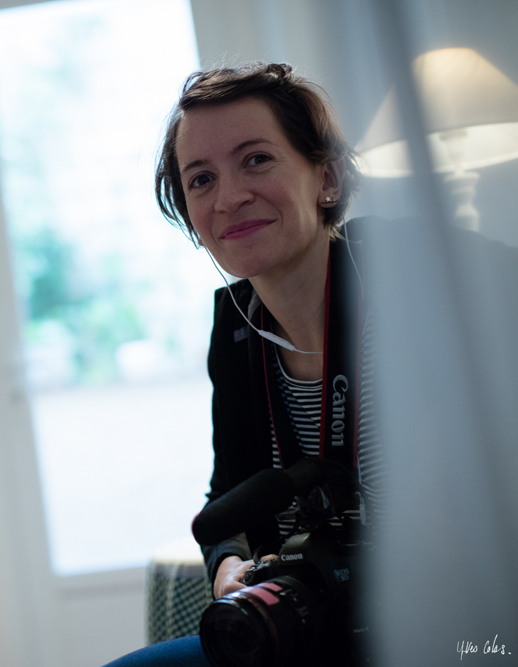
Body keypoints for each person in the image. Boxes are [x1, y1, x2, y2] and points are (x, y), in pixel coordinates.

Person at [103, 62, 367, 666]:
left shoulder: (413, 270)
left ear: (326, 177)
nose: (228, 198)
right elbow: (229, 495)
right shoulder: (236, 326)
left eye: (257, 160)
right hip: (314, 627)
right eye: (201, 179)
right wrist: (227, 564)